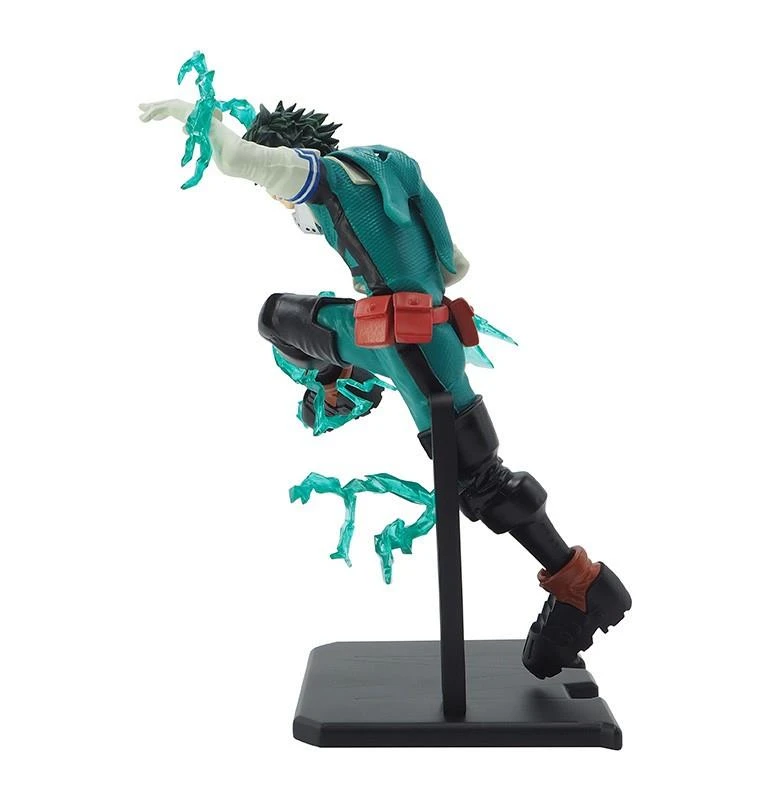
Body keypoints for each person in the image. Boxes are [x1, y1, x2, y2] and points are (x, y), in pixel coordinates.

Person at [140, 98, 631, 678]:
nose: (277, 201)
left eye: (272, 190)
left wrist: (193, 114)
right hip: (391, 329)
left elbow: (234, 158)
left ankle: (581, 585)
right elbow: (454, 263)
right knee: (278, 317)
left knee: (479, 479)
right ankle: (340, 383)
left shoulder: (315, 176)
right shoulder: (386, 165)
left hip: (411, 345)